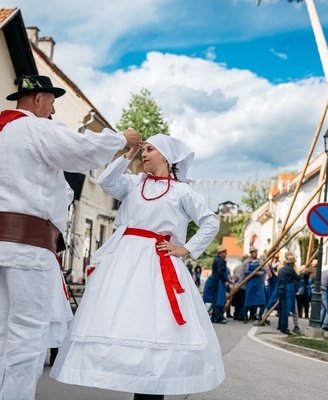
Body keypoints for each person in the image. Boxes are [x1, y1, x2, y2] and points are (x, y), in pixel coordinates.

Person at [0, 74, 143, 400]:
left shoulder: (3, 129)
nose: (52, 109)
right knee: (26, 334)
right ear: (38, 100)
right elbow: (81, 150)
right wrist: (120, 139)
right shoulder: (35, 128)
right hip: (26, 245)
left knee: (2, 331)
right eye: (51, 102)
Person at [50, 133, 225, 398]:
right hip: (124, 263)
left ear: (165, 156)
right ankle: (132, 379)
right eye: (143, 150)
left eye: (150, 150)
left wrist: (185, 248)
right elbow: (106, 180)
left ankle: (153, 386)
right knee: (124, 320)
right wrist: (129, 152)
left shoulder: (181, 191)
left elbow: (210, 221)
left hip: (157, 264)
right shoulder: (134, 184)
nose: (144, 154)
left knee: (157, 325)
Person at [238, 246, 267, 323]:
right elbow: (242, 273)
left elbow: (265, 271)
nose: (256, 253)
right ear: (251, 253)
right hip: (250, 282)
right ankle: (245, 317)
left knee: (262, 300)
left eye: (256, 252)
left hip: (258, 283)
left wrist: (258, 273)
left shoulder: (260, 261)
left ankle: (260, 317)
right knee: (248, 300)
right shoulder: (246, 262)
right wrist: (240, 284)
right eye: (254, 252)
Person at [277, 253, 300, 335]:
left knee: (282, 308)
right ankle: (284, 327)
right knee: (286, 309)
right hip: (287, 289)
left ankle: (280, 325)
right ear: (292, 263)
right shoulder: (290, 269)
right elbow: (297, 278)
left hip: (280, 289)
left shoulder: (281, 269)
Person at [210, 245, 229, 324]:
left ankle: (215, 316)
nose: (226, 254)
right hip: (218, 282)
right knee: (219, 300)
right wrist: (225, 281)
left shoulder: (217, 260)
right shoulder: (220, 261)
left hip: (216, 281)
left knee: (216, 299)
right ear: (221, 253)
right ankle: (218, 317)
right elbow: (220, 272)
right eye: (225, 252)